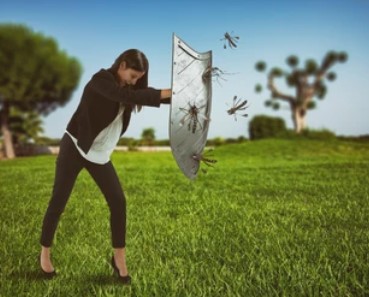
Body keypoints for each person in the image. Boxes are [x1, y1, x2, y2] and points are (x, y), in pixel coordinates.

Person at [39, 49, 171, 283]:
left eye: (138, 79)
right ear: (121, 65)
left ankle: (119, 259)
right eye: (132, 76)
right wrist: (165, 92)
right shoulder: (100, 81)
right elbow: (129, 96)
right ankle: (45, 254)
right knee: (59, 200)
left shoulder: (130, 89)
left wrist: (184, 96)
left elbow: (144, 95)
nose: (134, 82)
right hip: (76, 146)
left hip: (99, 154)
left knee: (118, 201)